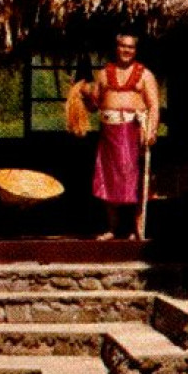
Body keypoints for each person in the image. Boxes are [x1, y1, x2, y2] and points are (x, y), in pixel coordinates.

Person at [72, 33, 160, 241]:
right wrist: (81, 92)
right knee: (107, 180)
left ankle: (134, 229)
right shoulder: (103, 74)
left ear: (135, 50)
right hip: (109, 133)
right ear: (116, 48)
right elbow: (95, 105)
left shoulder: (145, 75)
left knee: (132, 180)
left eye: (131, 47)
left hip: (133, 131)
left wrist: (152, 130)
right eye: (123, 46)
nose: (126, 51)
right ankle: (112, 228)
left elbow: (154, 105)